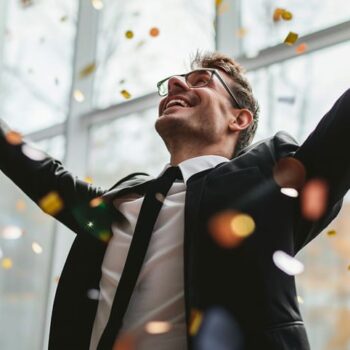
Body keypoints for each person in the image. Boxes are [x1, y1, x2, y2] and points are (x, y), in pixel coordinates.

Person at [0, 50, 349, 350]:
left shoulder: (272, 181)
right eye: (174, 82)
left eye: (202, 81)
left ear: (238, 119)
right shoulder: (118, 203)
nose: (175, 85)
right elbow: (38, 170)